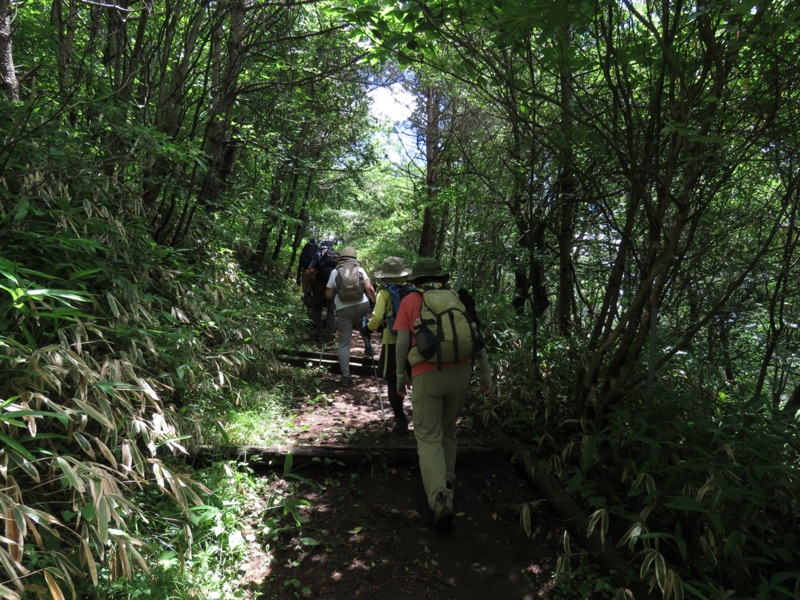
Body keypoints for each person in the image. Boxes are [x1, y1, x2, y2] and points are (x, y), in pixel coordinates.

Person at [394, 257, 492, 529]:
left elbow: (402, 342)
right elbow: (476, 335)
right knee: (448, 432)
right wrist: (485, 373)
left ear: (417, 279)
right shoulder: (458, 298)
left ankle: (439, 499)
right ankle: (447, 481)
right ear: (441, 277)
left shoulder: (411, 301)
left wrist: (400, 376)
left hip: (427, 374)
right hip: (461, 372)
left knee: (428, 437)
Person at [367, 256, 413, 434]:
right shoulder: (413, 291)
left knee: (393, 381)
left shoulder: (384, 292)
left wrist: (369, 328)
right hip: (414, 341)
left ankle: (400, 420)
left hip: (392, 341)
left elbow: (377, 318)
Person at [325, 246, 376, 387]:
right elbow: (369, 288)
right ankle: (368, 346)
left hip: (343, 309)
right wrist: (374, 302)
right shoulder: (360, 270)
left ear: (341, 258)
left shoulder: (335, 272)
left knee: (344, 343)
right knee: (361, 322)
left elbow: (329, 294)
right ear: (354, 258)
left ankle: (346, 376)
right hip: (362, 305)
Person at [307, 240, 337, 336]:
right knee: (331, 307)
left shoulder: (318, 254)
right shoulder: (336, 255)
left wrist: (308, 276)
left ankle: (317, 328)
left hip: (320, 283)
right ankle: (330, 330)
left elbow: (311, 270)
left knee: (316, 306)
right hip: (333, 284)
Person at [297, 237, 318, 308]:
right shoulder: (317, 248)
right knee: (314, 289)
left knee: (307, 290)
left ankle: (307, 306)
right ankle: (313, 307)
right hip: (315, 271)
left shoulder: (305, 248)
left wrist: (298, 278)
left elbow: (300, 263)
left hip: (305, 270)